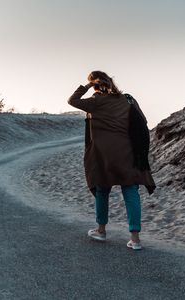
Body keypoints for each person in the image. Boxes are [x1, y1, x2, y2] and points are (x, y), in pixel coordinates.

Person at [67, 70, 156, 250]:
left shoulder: (96, 102)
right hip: (127, 152)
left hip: (103, 155)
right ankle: (135, 239)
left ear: (96, 84)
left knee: (102, 190)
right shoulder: (128, 99)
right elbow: (143, 120)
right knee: (130, 191)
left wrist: (87, 86)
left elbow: (72, 101)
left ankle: (101, 231)